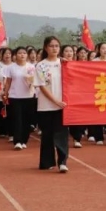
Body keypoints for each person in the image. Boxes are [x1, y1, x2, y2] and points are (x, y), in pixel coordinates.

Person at [34, 36, 70, 173]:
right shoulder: (41, 65)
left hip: (63, 105)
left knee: (62, 134)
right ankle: (47, 162)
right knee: (47, 134)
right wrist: (55, 101)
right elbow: (42, 86)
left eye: (56, 46)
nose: (54, 48)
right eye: (51, 46)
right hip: (46, 105)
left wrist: (61, 102)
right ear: (45, 48)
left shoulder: (64, 64)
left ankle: (62, 161)